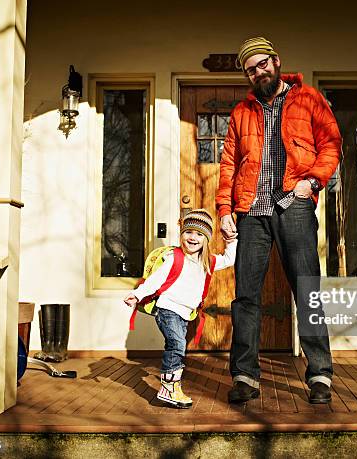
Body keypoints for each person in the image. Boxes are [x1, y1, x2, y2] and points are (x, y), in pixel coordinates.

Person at [217, 37, 342, 404]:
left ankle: (320, 374)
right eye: (250, 69)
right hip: (252, 212)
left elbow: (331, 144)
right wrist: (225, 211)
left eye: (261, 64)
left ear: (275, 61)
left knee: (307, 291)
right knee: (246, 298)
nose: (258, 72)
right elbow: (228, 164)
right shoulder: (242, 111)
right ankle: (245, 376)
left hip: (295, 206)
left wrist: (312, 181)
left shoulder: (309, 99)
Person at [123, 209, 237, 408]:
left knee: (177, 348)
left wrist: (230, 241)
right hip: (168, 309)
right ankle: (168, 389)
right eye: (189, 232)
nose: (193, 237)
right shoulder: (174, 257)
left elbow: (229, 259)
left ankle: (172, 387)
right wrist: (138, 294)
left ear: (206, 239)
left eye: (199, 234)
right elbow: (155, 280)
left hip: (185, 314)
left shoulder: (207, 262)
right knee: (176, 345)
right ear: (182, 234)